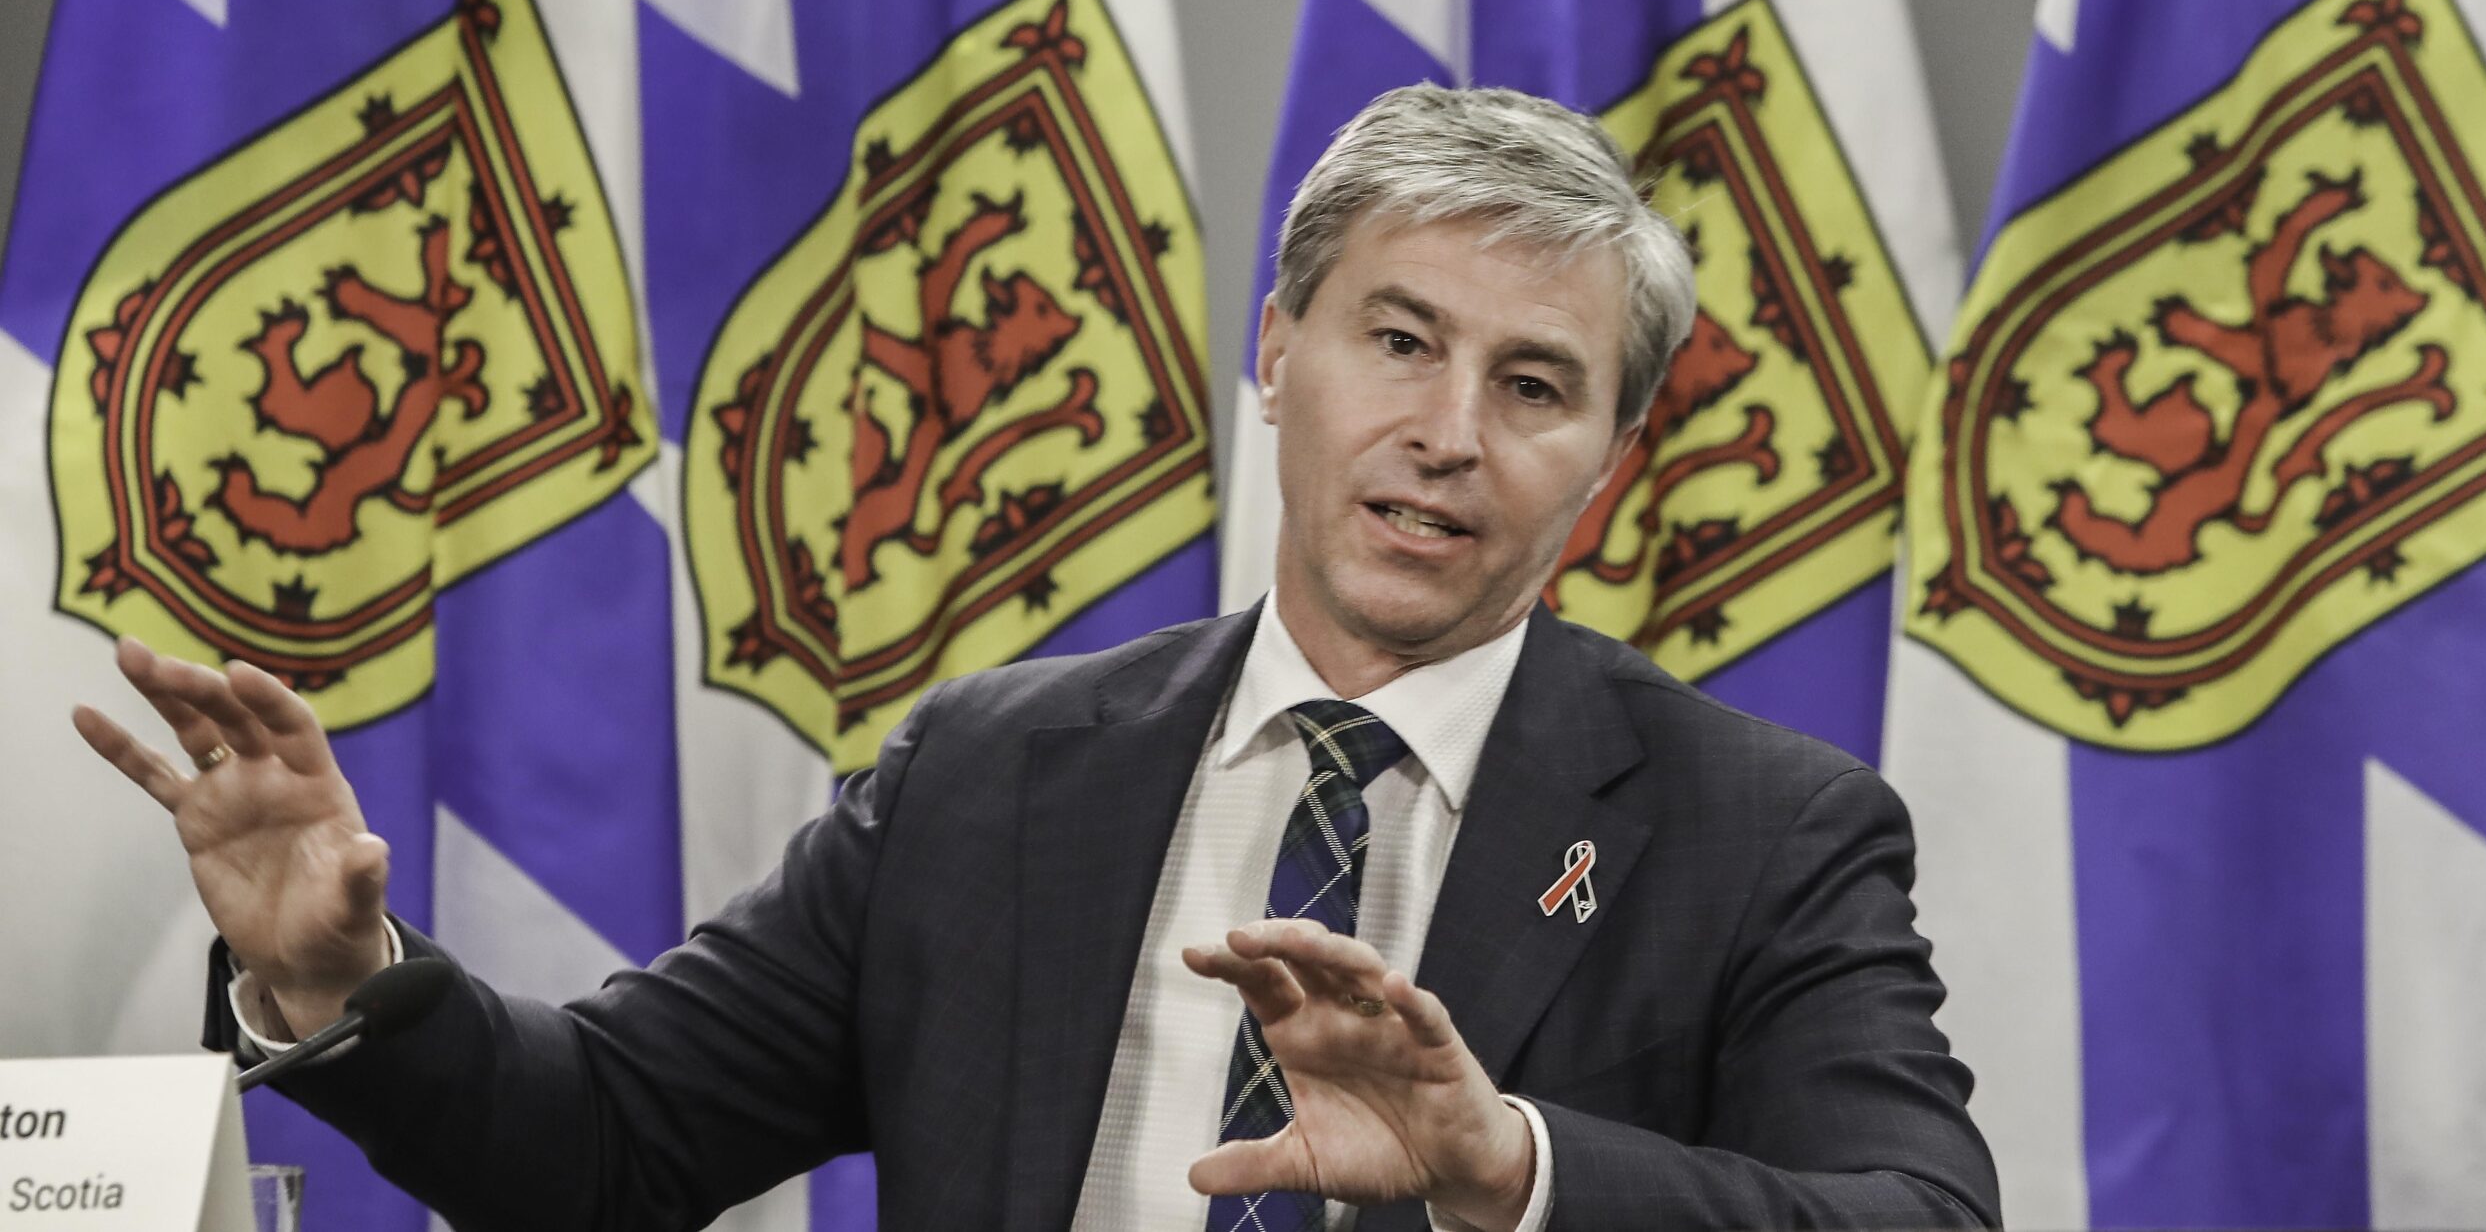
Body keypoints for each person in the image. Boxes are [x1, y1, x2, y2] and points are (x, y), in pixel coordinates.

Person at [75, 85, 1998, 1230]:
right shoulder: (994, 773)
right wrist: (337, 984)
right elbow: (607, 1145)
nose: (1448, 434)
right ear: (1276, 353)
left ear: (1613, 456)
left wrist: (1507, 1169)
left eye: (1537, 385)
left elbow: (1916, 1218)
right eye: (1397, 343)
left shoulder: (1763, 830)